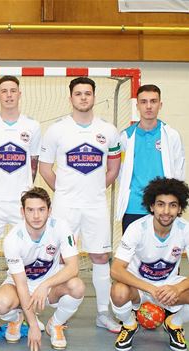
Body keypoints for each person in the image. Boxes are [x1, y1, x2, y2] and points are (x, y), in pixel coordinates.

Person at [39, 77, 122, 333]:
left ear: (94, 97)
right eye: (78, 93)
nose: (83, 97)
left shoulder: (108, 131)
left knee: (100, 257)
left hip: (96, 205)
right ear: (71, 98)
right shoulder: (57, 130)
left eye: (88, 93)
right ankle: (56, 314)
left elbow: (114, 168)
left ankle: (102, 313)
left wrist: (95, 189)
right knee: (62, 259)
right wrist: (64, 191)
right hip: (66, 206)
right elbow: (44, 168)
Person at [110, 177, 189, 351]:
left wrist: (178, 288)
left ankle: (174, 323)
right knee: (118, 292)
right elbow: (116, 269)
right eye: (160, 204)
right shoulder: (137, 228)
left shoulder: (188, 230)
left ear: (180, 208)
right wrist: (150, 288)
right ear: (151, 206)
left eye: (173, 205)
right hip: (140, 287)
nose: (166, 211)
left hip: (169, 287)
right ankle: (129, 325)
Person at [0, 75, 41, 330]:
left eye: (13, 91)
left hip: (20, 204)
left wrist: (23, 193)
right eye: (4, 91)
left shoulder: (32, 126)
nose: (9, 95)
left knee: (25, 257)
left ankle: (26, 310)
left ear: (19, 94)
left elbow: (33, 163)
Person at [0, 187, 84, 351]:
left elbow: (73, 267)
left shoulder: (61, 227)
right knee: (0, 303)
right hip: (21, 284)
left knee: (77, 286)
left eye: (41, 209)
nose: (36, 216)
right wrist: (33, 324)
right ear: (22, 212)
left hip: (50, 287)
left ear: (49, 210)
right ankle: (17, 319)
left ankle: (55, 324)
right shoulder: (13, 239)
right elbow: (21, 285)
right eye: (30, 210)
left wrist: (45, 285)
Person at [116, 84, 185, 233]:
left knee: (163, 252)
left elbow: (179, 172)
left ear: (160, 105)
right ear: (137, 106)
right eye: (144, 102)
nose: (148, 106)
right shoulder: (125, 137)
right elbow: (121, 173)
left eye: (153, 101)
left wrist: (174, 204)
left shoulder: (171, 135)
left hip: (163, 208)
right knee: (131, 254)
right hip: (133, 206)